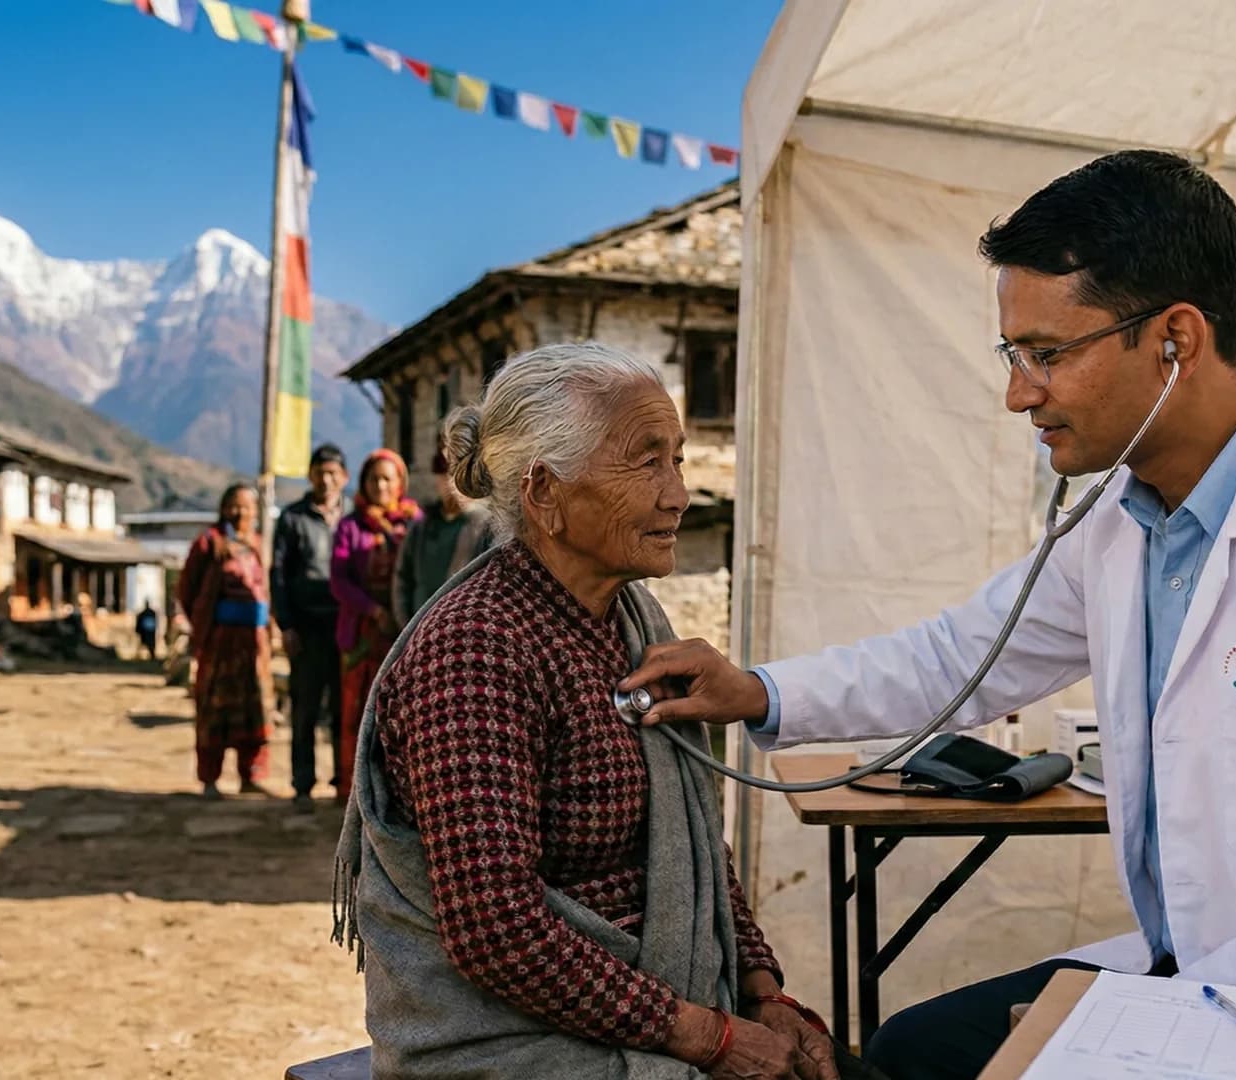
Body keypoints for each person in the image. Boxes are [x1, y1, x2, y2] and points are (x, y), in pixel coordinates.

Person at [622, 150, 1236, 1080]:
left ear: (1176, 340)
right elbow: (961, 658)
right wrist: (756, 691)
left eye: (1047, 354)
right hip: (1192, 969)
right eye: (1013, 354)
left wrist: (1175, 1012)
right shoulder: (1118, 524)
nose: (1018, 392)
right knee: (913, 1052)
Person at [332, 343, 866, 1080]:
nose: (677, 493)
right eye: (647, 462)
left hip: (660, 1016)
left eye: (676, 459)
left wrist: (761, 991)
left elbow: (695, 848)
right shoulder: (474, 652)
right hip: (507, 1044)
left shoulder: (635, 622)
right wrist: (709, 1037)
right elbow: (498, 932)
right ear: (545, 493)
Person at [328, 448, 421, 803]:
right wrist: (372, 610)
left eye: (388, 478)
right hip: (363, 636)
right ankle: (354, 793)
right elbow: (339, 580)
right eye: (374, 479)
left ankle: (398, 796)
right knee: (357, 711)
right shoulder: (350, 527)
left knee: (401, 714)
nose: (381, 485)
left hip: (406, 632)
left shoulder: (415, 523)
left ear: (400, 483)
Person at [176, 483, 277, 800]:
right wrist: (203, 622)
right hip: (220, 641)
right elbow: (186, 589)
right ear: (222, 509)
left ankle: (251, 775)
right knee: (213, 710)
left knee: (256, 709)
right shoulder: (209, 544)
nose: (240, 513)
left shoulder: (259, 545)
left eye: (246, 506)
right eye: (233, 506)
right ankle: (210, 778)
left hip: (254, 644)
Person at [273, 444, 352, 810]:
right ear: (310, 475)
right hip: (305, 629)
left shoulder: (353, 517)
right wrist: (285, 625)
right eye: (320, 471)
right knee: (304, 708)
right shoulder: (292, 518)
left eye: (334, 472)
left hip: (346, 628)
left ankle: (342, 782)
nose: (327, 479)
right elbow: (279, 576)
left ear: (345, 478)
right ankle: (303, 784)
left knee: (343, 708)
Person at [392, 447, 496, 624]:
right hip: (418, 631)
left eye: (456, 471)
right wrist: (406, 627)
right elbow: (402, 579)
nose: (450, 480)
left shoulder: (487, 527)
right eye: (444, 471)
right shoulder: (420, 528)